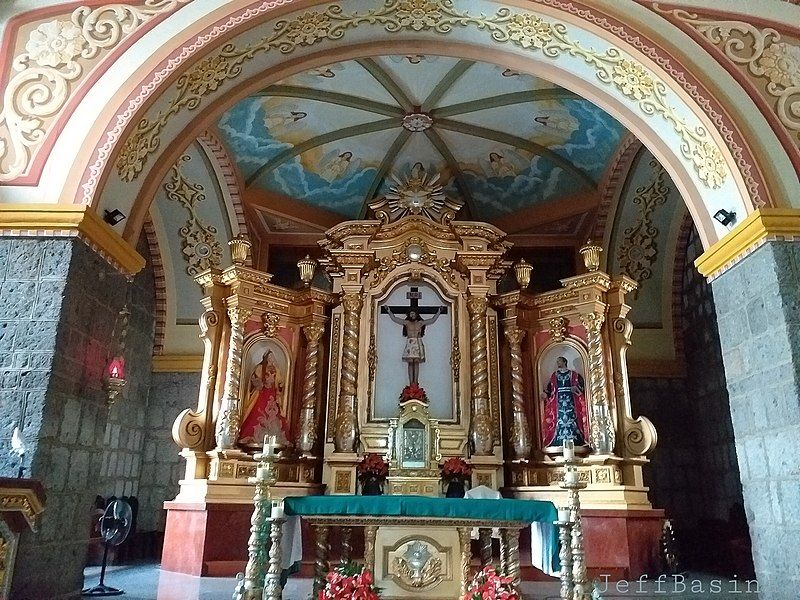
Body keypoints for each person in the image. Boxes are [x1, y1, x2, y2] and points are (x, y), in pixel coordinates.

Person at [238, 350, 290, 445]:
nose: (271, 359)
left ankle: (274, 438)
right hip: (262, 392)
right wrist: (260, 383)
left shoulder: (275, 369)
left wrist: (279, 386)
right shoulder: (260, 368)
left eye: (272, 357)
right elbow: (254, 379)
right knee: (257, 411)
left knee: (275, 413)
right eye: (269, 358)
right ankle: (252, 437)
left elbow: (279, 381)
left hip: (272, 393)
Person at [541, 356, 590, 452]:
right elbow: (550, 389)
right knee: (558, 420)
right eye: (557, 361)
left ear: (564, 362)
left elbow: (581, 387)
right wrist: (545, 394)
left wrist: (576, 389)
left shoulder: (574, 374)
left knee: (573, 418)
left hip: (571, 401)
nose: (558, 363)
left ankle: (576, 440)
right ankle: (558, 440)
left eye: (559, 361)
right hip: (558, 403)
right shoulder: (554, 375)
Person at [387, 307, 442, 385]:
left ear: (416, 314)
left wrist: (438, 312)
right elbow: (395, 319)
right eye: (411, 313)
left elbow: (432, 320)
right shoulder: (407, 322)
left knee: (416, 362)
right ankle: (410, 383)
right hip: (410, 342)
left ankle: (415, 382)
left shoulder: (420, 323)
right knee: (410, 363)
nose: (412, 315)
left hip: (417, 343)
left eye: (413, 313)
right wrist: (389, 311)